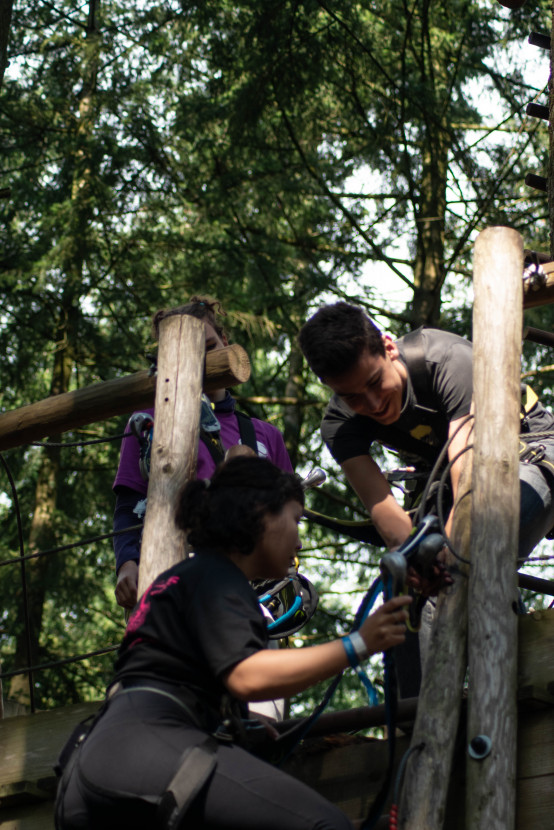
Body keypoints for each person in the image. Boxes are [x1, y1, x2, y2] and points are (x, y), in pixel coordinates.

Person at [55, 457, 411, 830]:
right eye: (295, 520)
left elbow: (176, 673)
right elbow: (248, 676)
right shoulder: (220, 579)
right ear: (261, 514)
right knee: (324, 824)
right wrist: (358, 644)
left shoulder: (182, 578)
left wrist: (241, 724)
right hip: (141, 752)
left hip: (96, 766)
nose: (299, 540)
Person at [298, 302, 554, 568]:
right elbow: (383, 508)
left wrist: (451, 553)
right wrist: (415, 560)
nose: (373, 404)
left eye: (375, 382)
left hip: (530, 448)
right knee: (421, 583)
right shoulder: (339, 425)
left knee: (484, 534)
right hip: (446, 483)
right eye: (352, 397)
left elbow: (466, 473)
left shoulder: (447, 360)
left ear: (389, 348)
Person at [113, 295, 293, 611]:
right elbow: (129, 504)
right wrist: (127, 563)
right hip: (176, 578)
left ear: (225, 341)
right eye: (185, 353)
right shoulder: (146, 423)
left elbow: (290, 513)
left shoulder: (266, 436)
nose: (201, 359)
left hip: (256, 595)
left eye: (208, 347)